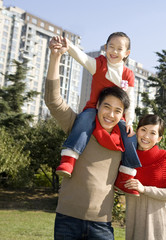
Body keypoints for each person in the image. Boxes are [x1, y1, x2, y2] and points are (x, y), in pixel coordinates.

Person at [46, 38, 166, 240]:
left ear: (123, 115)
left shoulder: (125, 141)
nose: (110, 114)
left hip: (101, 223)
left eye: (118, 110)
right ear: (97, 105)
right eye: (106, 107)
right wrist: (55, 57)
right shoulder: (78, 127)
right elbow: (53, 101)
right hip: (68, 219)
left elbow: (150, 156)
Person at [53, 33, 141, 195]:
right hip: (94, 109)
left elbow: (130, 100)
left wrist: (129, 121)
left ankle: (125, 176)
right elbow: (82, 58)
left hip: (116, 116)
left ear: (127, 53)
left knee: (130, 137)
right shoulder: (99, 65)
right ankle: (69, 159)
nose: (114, 52)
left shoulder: (128, 74)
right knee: (84, 120)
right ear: (105, 47)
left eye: (119, 49)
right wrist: (69, 46)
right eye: (111, 47)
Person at [124, 114, 166, 240]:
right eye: (143, 130)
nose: (146, 136)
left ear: (159, 138)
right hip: (136, 221)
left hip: (161, 224)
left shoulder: (165, 158)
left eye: (153, 133)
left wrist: (144, 189)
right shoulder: (126, 155)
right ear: (136, 130)